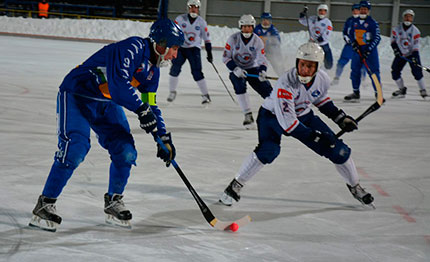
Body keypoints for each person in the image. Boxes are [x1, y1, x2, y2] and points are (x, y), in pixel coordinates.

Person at [28, 19, 185, 232]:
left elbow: (151, 105)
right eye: (174, 48)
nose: (175, 55)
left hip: (105, 102)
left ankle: (113, 201)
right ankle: (44, 204)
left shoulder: (152, 72)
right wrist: (141, 110)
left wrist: (163, 137)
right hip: (77, 94)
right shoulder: (134, 47)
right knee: (75, 149)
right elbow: (118, 84)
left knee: (126, 152)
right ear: (162, 43)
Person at [219, 42, 374, 208]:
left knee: (339, 150)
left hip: (302, 114)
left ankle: (355, 186)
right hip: (272, 117)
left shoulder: (322, 79)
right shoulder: (286, 84)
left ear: (317, 67)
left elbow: (319, 99)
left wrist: (340, 118)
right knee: (269, 151)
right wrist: (317, 137)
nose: (304, 70)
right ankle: (235, 185)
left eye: (309, 66)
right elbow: (290, 125)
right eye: (302, 64)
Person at [223, 14, 272, 129]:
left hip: (252, 69)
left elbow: (262, 59)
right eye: (244, 27)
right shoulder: (233, 39)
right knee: (239, 85)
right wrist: (235, 68)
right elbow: (225, 57)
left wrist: (262, 71)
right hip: (237, 70)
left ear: (253, 27)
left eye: (249, 27)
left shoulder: (257, 41)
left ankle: (277, 111)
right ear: (240, 27)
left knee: (268, 91)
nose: (247, 29)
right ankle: (247, 114)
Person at [167, 0, 213, 105]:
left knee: (197, 72)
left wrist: (209, 53)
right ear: (188, 8)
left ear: (198, 8)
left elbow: (207, 38)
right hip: (181, 48)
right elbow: (173, 33)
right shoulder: (180, 19)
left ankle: (205, 95)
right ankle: (172, 91)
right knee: (175, 69)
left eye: (195, 7)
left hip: (194, 49)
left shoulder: (201, 22)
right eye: (191, 7)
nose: (193, 9)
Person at [344, 0, 381, 102]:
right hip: (358, 51)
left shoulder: (372, 23)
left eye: (365, 9)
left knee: (374, 72)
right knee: (355, 71)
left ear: (368, 11)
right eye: (361, 9)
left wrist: (369, 50)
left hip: (370, 53)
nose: (363, 11)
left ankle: (378, 93)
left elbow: (377, 38)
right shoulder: (354, 22)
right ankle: (356, 92)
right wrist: (354, 44)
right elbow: (350, 34)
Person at [391, 9, 427, 99]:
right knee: (395, 71)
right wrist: (396, 50)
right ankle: (402, 89)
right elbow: (393, 41)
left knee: (417, 71)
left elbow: (415, 45)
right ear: (403, 17)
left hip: (412, 53)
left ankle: (423, 90)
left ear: (412, 18)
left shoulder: (416, 31)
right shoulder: (396, 29)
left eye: (410, 16)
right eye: (406, 16)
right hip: (401, 54)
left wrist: (414, 57)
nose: (408, 18)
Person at [331, 3, 366, 85]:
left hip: (361, 46)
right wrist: (345, 37)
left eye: (357, 10)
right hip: (350, 45)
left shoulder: (364, 21)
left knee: (362, 63)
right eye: (353, 10)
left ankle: (363, 80)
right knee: (341, 61)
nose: (355, 12)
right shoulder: (349, 20)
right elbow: (345, 31)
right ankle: (337, 77)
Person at [299, 4, 333, 70]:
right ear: (317, 11)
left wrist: (322, 38)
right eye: (320, 10)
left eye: (324, 11)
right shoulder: (312, 19)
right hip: (312, 43)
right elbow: (302, 21)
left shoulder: (328, 22)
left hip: (323, 44)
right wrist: (302, 15)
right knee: (311, 58)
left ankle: (326, 69)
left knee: (329, 64)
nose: (322, 12)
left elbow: (328, 32)